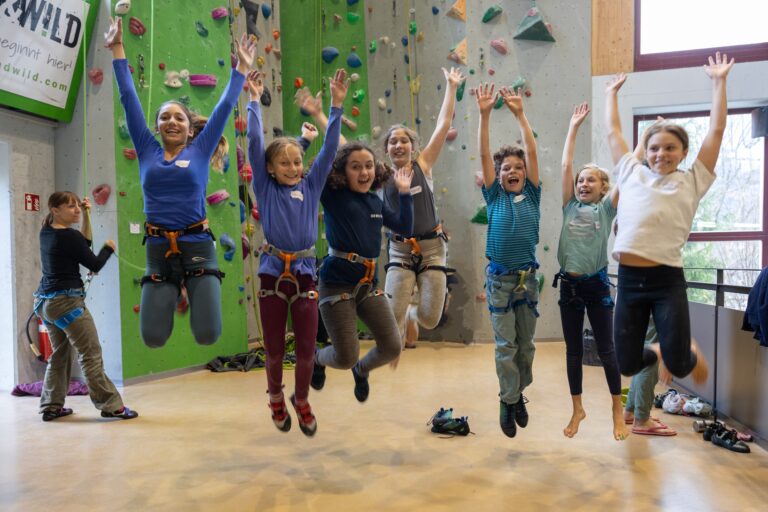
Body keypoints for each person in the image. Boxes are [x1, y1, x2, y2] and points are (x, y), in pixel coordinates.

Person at [106, 17, 255, 347]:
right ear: (157, 127)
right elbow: (129, 99)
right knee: (153, 338)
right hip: (159, 250)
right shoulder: (147, 150)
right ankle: (173, 290)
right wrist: (118, 48)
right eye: (164, 117)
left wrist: (240, 72)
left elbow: (224, 107)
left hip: (198, 245)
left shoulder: (200, 151)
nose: (171, 121)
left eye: (179, 117)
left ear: (190, 129)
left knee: (207, 335)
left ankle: (189, 291)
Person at [605, 52, 734, 383]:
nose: (661, 154)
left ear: (683, 152)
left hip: (667, 281)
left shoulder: (692, 180)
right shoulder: (631, 173)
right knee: (627, 365)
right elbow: (613, 133)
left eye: (670, 148)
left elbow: (717, 131)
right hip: (630, 280)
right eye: (654, 148)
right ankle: (659, 350)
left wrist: (719, 82)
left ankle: (681, 350)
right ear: (645, 152)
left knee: (679, 366)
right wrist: (611, 95)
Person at [247, 68, 347, 436]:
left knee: (306, 348)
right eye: (284, 163)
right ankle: (275, 395)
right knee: (274, 350)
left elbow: (330, 148)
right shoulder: (266, 187)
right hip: (272, 272)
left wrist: (336, 106)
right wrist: (253, 100)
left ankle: (300, 399)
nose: (293, 167)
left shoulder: (312, 183)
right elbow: (254, 144)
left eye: (296, 162)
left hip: (305, 270)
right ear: (270, 170)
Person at [311, 143, 413, 402]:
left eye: (368, 166)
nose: (364, 172)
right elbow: (318, 168)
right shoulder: (333, 195)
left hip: (367, 285)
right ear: (342, 171)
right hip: (337, 284)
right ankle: (317, 358)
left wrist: (404, 193)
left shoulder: (374, 201)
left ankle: (362, 370)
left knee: (392, 346)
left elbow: (404, 226)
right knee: (345, 357)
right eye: (355, 167)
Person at [555, 102, 626, 440]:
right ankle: (577, 408)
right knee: (572, 351)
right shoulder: (569, 205)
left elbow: (627, 171)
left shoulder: (606, 210)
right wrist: (573, 126)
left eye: (590, 181)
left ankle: (616, 407)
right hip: (568, 286)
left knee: (606, 349)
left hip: (596, 286)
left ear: (602, 187)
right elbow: (566, 163)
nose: (583, 184)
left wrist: (641, 146)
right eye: (581, 180)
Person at [35, 192, 138, 422]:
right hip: (67, 303)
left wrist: (86, 217)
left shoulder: (47, 231)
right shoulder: (69, 236)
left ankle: (51, 406)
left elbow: (83, 244)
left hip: (47, 304)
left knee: (60, 355)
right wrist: (108, 249)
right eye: (71, 207)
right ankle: (112, 406)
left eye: (77, 207)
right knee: (90, 355)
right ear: (55, 210)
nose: (77, 210)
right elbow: (93, 262)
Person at [382, 67, 465, 350]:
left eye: (404, 140)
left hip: (431, 248)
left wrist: (451, 86)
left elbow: (442, 125)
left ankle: (413, 315)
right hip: (400, 249)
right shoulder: (380, 174)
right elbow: (346, 150)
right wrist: (323, 114)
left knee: (430, 318)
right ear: (386, 150)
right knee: (391, 318)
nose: (398, 145)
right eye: (393, 141)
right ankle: (402, 314)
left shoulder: (423, 165)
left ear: (413, 147)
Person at [475, 83, 540, 438]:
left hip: (527, 281)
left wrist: (519, 113)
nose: (512, 171)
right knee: (506, 345)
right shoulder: (494, 198)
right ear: (498, 177)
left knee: (526, 347)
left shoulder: (532, 194)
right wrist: (485, 115)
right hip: (500, 282)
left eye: (518, 167)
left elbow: (530, 148)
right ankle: (507, 398)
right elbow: (485, 155)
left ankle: (518, 393)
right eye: (506, 169)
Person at [624, 319, 677, 436]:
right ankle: (641, 420)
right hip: (652, 302)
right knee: (651, 357)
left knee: (645, 351)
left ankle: (630, 411)